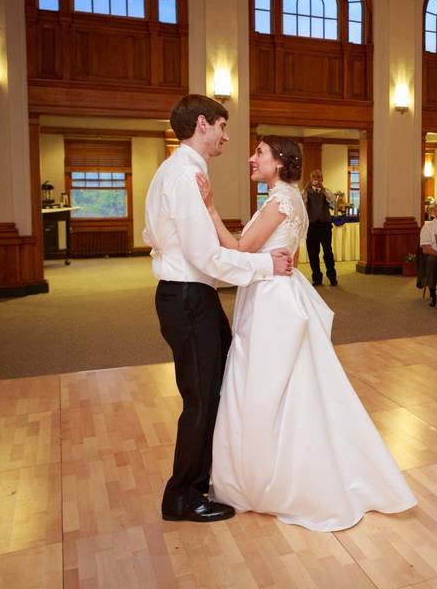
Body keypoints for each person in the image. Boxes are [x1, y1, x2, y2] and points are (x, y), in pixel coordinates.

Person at [196, 135, 416, 530]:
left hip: (271, 301)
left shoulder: (282, 199)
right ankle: (265, 467)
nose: (251, 158)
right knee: (282, 383)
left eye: (259, 153)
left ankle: (272, 477)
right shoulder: (284, 197)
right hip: (270, 292)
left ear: (279, 161)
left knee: (266, 383)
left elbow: (240, 247)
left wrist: (211, 210)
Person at [143, 95, 294, 523]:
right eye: (223, 127)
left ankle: (202, 480)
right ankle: (181, 496)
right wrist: (266, 265)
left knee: (213, 390)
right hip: (188, 296)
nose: (228, 137)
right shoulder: (185, 174)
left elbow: (153, 230)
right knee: (201, 398)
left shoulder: (174, 171)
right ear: (204, 124)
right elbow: (207, 256)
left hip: (191, 296)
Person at [302, 169, 338, 286]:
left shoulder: (326, 192)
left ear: (322, 180)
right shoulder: (305, 192)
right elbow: (301, 205)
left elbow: (333, 204)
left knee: (328, 252)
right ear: (311, 179)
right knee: (313, 253)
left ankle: (332, 276)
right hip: (311, 227)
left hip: (325, 226)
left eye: (318, 178)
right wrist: (305, 192)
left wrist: (324, 191)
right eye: (314, 178)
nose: (316, 180)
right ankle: (317, 277)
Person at [418, 201, 437, 306]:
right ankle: (432, 294)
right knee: (432, 261)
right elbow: (426, 249)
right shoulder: (427, 227)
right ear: (434, 212)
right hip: (434, 254)